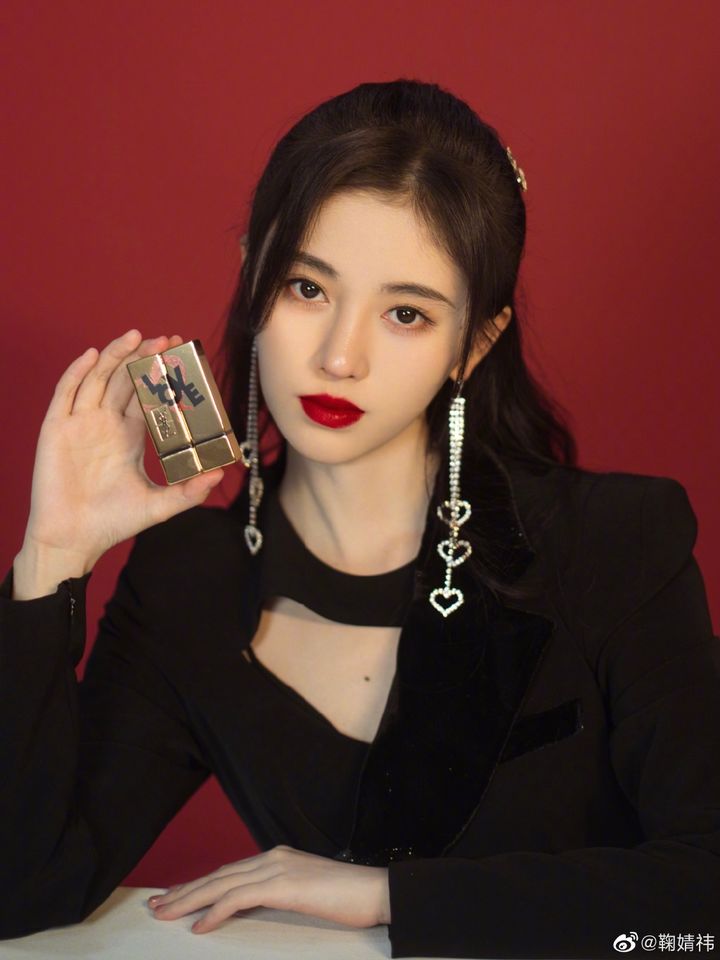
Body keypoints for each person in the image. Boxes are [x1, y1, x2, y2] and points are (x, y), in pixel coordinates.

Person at [1, 78, 718, 959]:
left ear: (475, 342)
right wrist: (52, 556)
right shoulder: (188, 578)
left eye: (406, 313)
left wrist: (389, 897)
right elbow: (23, 887)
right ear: (252, 275)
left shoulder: (612, 542)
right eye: (306, 288)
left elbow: (706, 900)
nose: (341, 356)